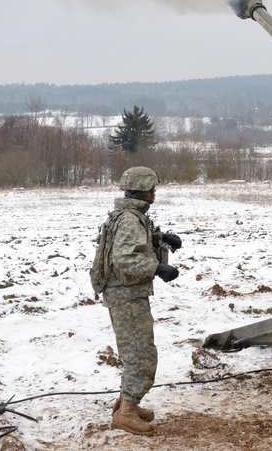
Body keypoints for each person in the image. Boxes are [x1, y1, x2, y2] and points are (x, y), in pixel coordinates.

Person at [94, 166, 182, 436]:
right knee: (142, 356)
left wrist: (160, 239)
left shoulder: (130, 215)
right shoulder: (131, 218)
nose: (155, 192)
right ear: (144, 190)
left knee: (134, 353)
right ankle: (127, 413)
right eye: (153, 188)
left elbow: (129, 246)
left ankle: (125, 402)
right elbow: (124, 258)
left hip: (124, 293)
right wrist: (157, 268)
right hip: (127, 295)